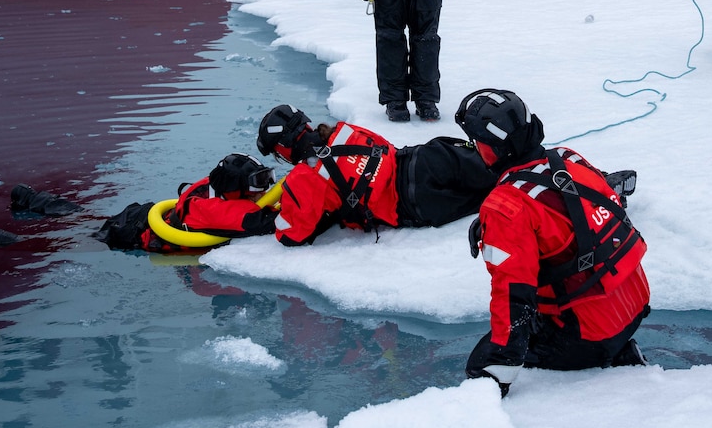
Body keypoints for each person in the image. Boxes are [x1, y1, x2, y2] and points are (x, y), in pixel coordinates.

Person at [456, 89, 648, 396]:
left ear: (491, 147)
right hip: (633, 303)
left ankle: (602, 360)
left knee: (481, 362)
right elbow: (574, 213)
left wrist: (497, 370)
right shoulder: (568, 158)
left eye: (476, 142)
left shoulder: (506, 207)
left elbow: (512, 296)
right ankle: (619, 352)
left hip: (588, 330)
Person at [256, 104, 495, 245]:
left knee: (493, 195)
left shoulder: (303, 177)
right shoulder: (343, 130)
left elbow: (292, 235)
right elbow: (384, 147)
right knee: (502, 171)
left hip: (418, 201)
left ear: (283, 147)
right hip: (424, 158)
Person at [93, 153, 279, 252]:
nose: (264, 189)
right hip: (125, 233)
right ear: (234, 189)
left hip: (142, 215)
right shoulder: (209, 209)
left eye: (266, 179)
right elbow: (266, 221)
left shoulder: (220, 189)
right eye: (257, 184)